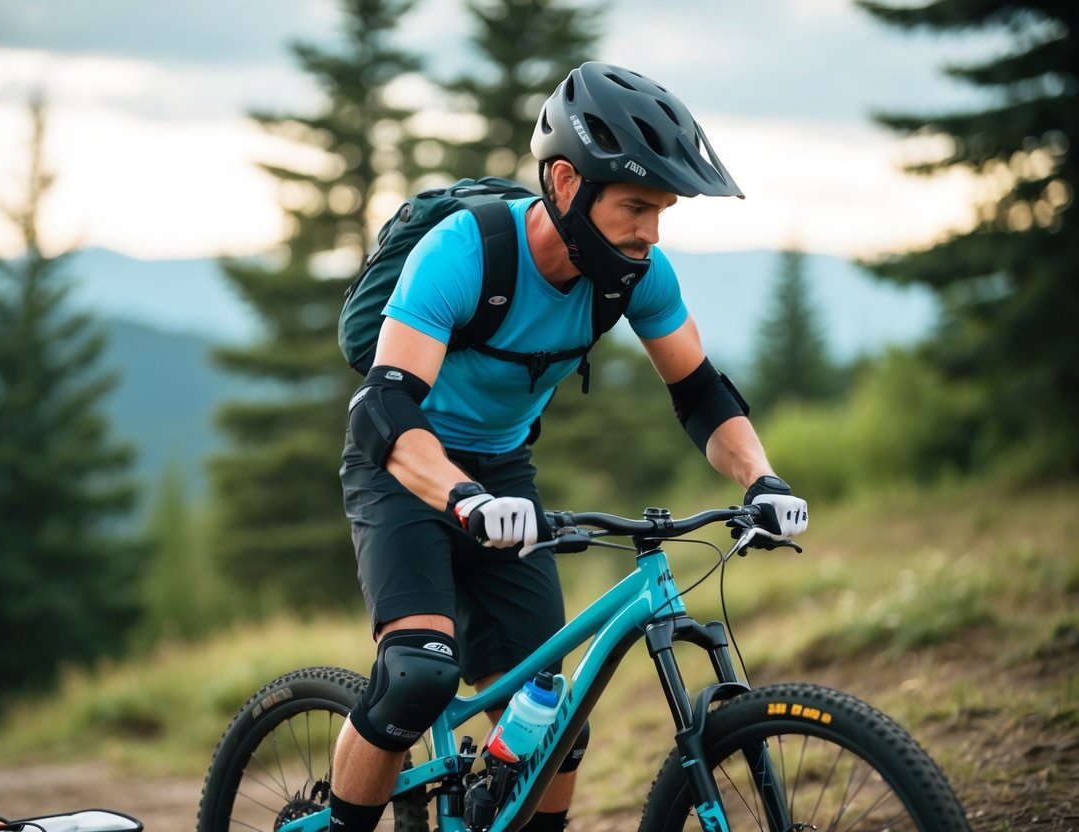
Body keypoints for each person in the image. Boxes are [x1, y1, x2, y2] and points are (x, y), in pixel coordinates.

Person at [332, 61, 808, 832]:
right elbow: (383, 411)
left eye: (662, 211)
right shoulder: (466, 252)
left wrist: (762, 478)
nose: (650, 233)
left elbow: (700, 395)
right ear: (562, 182)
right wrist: (462, 498)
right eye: (634, 206)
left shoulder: (633, 277)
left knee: (553, 719)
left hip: (503, 475)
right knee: (418, 674)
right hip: (407, 469)